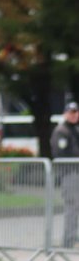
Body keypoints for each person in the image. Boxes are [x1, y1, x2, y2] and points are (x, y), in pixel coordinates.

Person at [50, 100, 79, 248]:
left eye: (76, 112)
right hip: (69, 173)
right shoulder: (61, 131)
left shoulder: (74, 130)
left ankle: (73, 237)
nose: (74, 115)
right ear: (65, 114)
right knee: (72, 206)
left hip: (76, 172)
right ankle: (69, 239)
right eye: (71, 112)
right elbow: (60, 153)